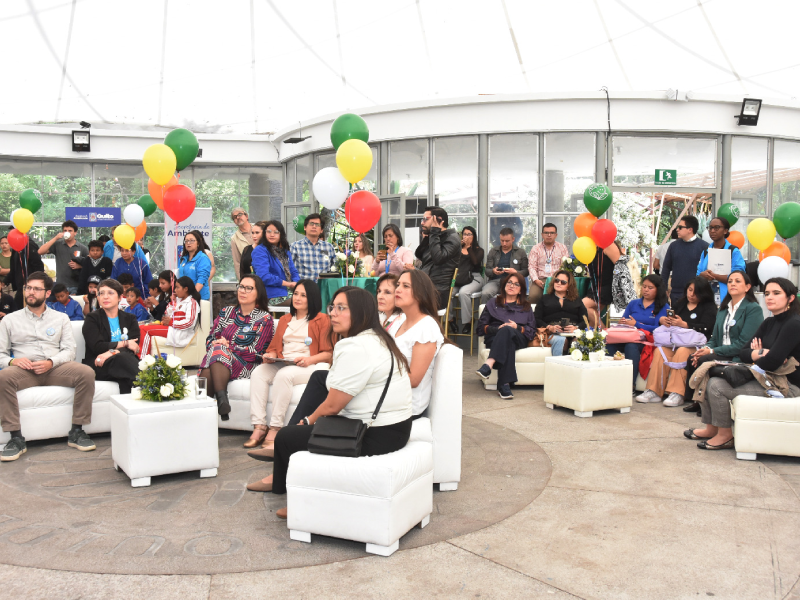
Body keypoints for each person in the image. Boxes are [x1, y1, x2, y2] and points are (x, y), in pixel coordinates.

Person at [245, 286, 413, 520]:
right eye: (333, 306)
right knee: (318, 377)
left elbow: (333, 406)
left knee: (286, 437)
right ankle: (285, 463)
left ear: (360, 313)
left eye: (341, 308)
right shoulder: (375, 338)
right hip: (396, 426)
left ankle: (293, 496)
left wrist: (307, 422)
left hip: (375, 433)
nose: (333, 313)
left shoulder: (356, 347)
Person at [685, 277, 799, 450]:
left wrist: (761, 355)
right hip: (766, 377)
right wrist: (760, 353)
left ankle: (725, 435)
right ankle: (712, 428)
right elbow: (744, 353)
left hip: (786, 385)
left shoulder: (794, 324)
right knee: (707, 376)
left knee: (717, 386)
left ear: (790, 298)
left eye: (776, 293)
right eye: (767, 293)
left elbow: (773, 361)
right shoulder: (769, 322)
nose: (769, 297)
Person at [0, 272, 97, 461]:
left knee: (86, 373)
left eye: (36, 289)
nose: (31, 292)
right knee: (3, 378)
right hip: (24, 370)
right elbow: (1, 354)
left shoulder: (61, 318)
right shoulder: (9, 320)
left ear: (47, 293)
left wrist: (51, 362)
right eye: (28, 288)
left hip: (55, 367)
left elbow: (69, 350)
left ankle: (77, 430)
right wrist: (13, 362)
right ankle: (15, 438)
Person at [245, 279, 333, 458]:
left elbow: (329, 353)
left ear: (312, 298)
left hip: (311, 364)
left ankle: (275, 428)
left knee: (284, 375)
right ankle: (259, 426)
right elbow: (274, 347)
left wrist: (309, 359)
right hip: (285, 361)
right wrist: (270, 355)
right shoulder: (285, 319)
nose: (297, 298)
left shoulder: (322, 319)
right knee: (259, 372)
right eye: (296, 294)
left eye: (303, 295)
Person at [682, 270, 764, 415]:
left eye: (737, 281)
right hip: (721, 352)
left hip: (737, 354)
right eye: (730, 281)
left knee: (705, 359)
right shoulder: (723, 308)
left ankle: (704, 402)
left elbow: (742, 344)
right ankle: (697, 400)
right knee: (694, 356)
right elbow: (714, 338)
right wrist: (705, 348)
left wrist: (711, 351)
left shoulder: (753, 309)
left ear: (747, 287)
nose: (732, 284)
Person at [198, 274, 274, 420]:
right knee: (214, 357)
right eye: (241, 287)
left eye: (248, 288)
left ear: (258, 293)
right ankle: (220, 403)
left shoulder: (264, 319)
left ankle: (204, 415)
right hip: (218, 360)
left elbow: (257, 353)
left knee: (215, 356)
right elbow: (210, 338)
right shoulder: (226, 312)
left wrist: (228, 347)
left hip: (247, 365)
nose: (243, 291)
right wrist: (216, 343)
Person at [637, 277, 717, 407]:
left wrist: (685, 324)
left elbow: (708, 327)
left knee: (682, 352)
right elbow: (670, 319)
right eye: (690, 290)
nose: (691, 294)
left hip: (696, 344)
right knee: (660, 352)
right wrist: (664, 321)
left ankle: (677, 393)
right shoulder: (681, 303)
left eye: (696, 292)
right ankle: (654, 390)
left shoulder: (709, 307)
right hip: (675, 341)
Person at [389, 270, 446, 417]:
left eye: (406, 286)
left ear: (420, 293)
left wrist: (372, 377)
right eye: (398, 284)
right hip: (386, 394)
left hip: (405, 406)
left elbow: (413, 379)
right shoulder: (399, 320)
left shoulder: (427, 327)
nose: (398, 289)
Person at [475, 273, 536, 400]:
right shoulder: (493, 303)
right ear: (504, 285)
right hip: (495, 337)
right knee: (508, 340)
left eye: (516, 284)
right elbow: (480, 328)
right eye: (509, 282)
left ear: (521, 290)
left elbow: (531, 331)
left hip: (519, 337)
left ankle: (489, 364)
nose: (512, 286)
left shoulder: (526, 306)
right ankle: (504, 385)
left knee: (508, 329)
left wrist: (517, 327)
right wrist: (497, 329)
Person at [606, 274, 670, 391]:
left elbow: (658, 329)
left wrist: (637, 324)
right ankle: (610, 380)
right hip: (628, 336)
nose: (646, 290)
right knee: (609, 345)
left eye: (650, 288)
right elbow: (625, 320)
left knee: (631, 346)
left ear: (658, 289)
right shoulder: (634, 303)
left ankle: (631, 385)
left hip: (648, 340)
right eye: (644, 286)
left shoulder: (663, 306)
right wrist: (623, 322)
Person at [82, 278, 140, 397]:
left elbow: (134, 346)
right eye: (101, 293)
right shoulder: (92, 319)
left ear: (120, 297)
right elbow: (97, 347)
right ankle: (151, 385)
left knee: (125, 365)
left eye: (110, 293)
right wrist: (125, 344)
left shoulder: (130, 318)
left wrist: (111, 352)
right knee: (123, 359)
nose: (105, 297)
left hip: (123, 361)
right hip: (99, 363)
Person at [139, 276, 201, 358]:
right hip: (171, 328)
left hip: (179, 332)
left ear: (186, 289)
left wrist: (171, 322)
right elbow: (166, 314)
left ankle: (142, 358)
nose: (175, 290)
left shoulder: (192, 302)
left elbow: (190, 323)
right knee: (141, 327)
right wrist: (172, 303)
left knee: (144, 329)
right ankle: (141, 356)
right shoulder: (178, 300)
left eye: (177, 287)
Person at [534, 269, 589, 357]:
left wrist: (576, 328)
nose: (558, 283)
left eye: (563, 282)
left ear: (569, 285)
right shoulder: (545, 298)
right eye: (556, 280)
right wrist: (549, 327)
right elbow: (536, 318)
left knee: (577, 341)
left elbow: (585, 321)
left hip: (572, 332)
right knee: (562, 341)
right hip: (551, 332)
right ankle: (559, 363)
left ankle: (573, 363)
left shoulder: (577, 300)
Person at [415, 207, 461, 311]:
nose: (422, 223)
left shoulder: (452, 238)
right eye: (422, 219)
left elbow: (438, 258)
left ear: (438, 220)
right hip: (425, 286)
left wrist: (434, 232)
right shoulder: (436, 237)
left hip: (438, 291)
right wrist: (428, 237)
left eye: (426, 219)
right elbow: (419, 254)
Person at [696, 217, 746, 305]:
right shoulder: (706, 251)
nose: (712, 231)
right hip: (707, 300)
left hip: (728, 300)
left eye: (717, 227)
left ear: (725, 231)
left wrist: (715, 276)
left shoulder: (733, 251)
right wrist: (702, 275)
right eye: (710, 228)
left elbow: (739, 277)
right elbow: (698, 274)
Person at [661, 216, 709, 305]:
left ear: (690, 229)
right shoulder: (673, 246)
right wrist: (663, 288)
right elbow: (666, 268)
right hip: (677, 293)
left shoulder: (704, 247)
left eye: (680, 227)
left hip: (697, 293)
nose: (677, 230)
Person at [251, 221, 300, 306]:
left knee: (312, 298)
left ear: (281, 234)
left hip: (289, 291)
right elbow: (264, 276)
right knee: (306, 303)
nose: (272, 235)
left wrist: (296, 283)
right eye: (269, 231)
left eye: (276, 232)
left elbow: (293, 271)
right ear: (264, 233)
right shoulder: (260, 250)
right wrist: (288, 284)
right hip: (272, 295)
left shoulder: (285, 251)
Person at [37, 220, 88, 294]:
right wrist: (55, 238)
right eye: (65, 230)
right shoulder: (57, 244)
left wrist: (80, 266)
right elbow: (40, 251)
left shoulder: (82, 248)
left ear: (75, 233)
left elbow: (89, 265)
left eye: (70, 231)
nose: (67, 232)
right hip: (61, 285)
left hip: (76, 285)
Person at [481, 227, 529, 304]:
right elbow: (487, 271)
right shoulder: (493, 251)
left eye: (507, 241)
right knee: (485, 293)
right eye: (502, 241)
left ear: (513, 239)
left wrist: (515, 272)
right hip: (495, 281)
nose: (504, 244)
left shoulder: (520, 252)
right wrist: (493, 271)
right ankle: (486, 311)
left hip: (513, 282)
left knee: (513, 294)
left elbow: (526, 272)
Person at [527, 223, 570, 305]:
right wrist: (536, 280)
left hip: (557, 279)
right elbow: (532, 267)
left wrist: (559, 280)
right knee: (533, 296)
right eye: (546, 233)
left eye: (552, 233)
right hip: (540, 280)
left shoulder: (562, 248)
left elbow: (565, 267)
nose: (549, 235)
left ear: (556, 235)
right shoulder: (536, 248)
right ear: (542, 235)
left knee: (560, 298)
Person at [452, 226, 484, 334]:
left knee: (464, 292)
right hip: (459, 278)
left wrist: (469, 247)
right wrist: (458, 247)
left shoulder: (479, 250)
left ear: (474, 236)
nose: (466, 236)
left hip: (474, 277)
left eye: (469, 234)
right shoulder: (458, 249)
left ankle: (468, 322)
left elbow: (475, 262)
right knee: (448, 292)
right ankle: (451, 320)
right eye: (464, 234)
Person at [290, 213, 335, 282]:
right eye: (311, 224)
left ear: (321, 230)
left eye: (317, 225)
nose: (314, 226)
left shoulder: (329, 247)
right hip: (303, 286)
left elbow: (334, 268)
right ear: (305, 227)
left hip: (324, 286)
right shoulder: (295, 246)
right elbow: (288, 269)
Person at [7, 229, 45, 308]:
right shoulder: (15, 247)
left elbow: (38, 266)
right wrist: (4, 281)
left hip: (30, 286)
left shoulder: (29, 245)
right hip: (20, 286)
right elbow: (13, 269)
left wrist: (36, 282)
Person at [178, 231, 212, 301]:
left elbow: (202, 279)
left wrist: (191, 296)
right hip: (185, 297)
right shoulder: (183, 258)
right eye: (186, 241)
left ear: (198, 243)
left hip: (199, 297)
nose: (188, 243)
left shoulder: (203, 258)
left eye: (192, 240)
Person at [230, 207, 253, 279]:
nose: (238, 217)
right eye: (235, 217)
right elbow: (237, 262)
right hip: (249, 272)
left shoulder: (259, 229)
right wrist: (241, 280)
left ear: (246, 216)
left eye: (240, 214)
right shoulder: (234, 239)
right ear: (234, 221)